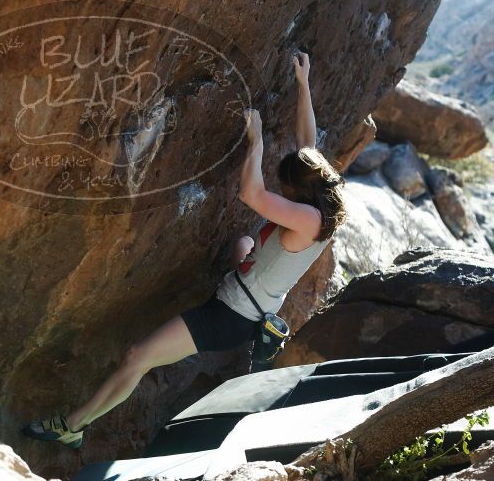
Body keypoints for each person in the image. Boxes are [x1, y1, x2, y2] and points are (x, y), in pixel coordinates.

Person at [21, 51, 347, 449]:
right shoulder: (324, 200)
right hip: (244, 299)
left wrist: (256, 141)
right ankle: (77, 423)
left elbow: (251, 193)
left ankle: (73, 425)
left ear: (301, 190)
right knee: (243, 243)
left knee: (137, 356)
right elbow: (307, 144)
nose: (285, 193)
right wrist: (303, 83)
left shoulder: (310, 221)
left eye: (288, 189)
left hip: (230, 316)